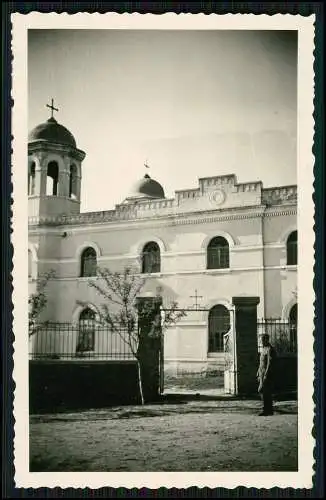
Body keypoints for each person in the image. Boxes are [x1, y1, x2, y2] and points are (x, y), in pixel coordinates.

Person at [257, 333, 276, 416]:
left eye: (262, 340)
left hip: (266, 373)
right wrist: (258, 371)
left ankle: (267, 410)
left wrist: (266, 374)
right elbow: (261, 362)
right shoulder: (263, 349)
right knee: (264, 391)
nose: (261, 342)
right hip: (261, 372)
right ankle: (268, 410)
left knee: (263, 391)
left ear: (266, 339)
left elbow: (270, 363)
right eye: (261, 340)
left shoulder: (270, 349)